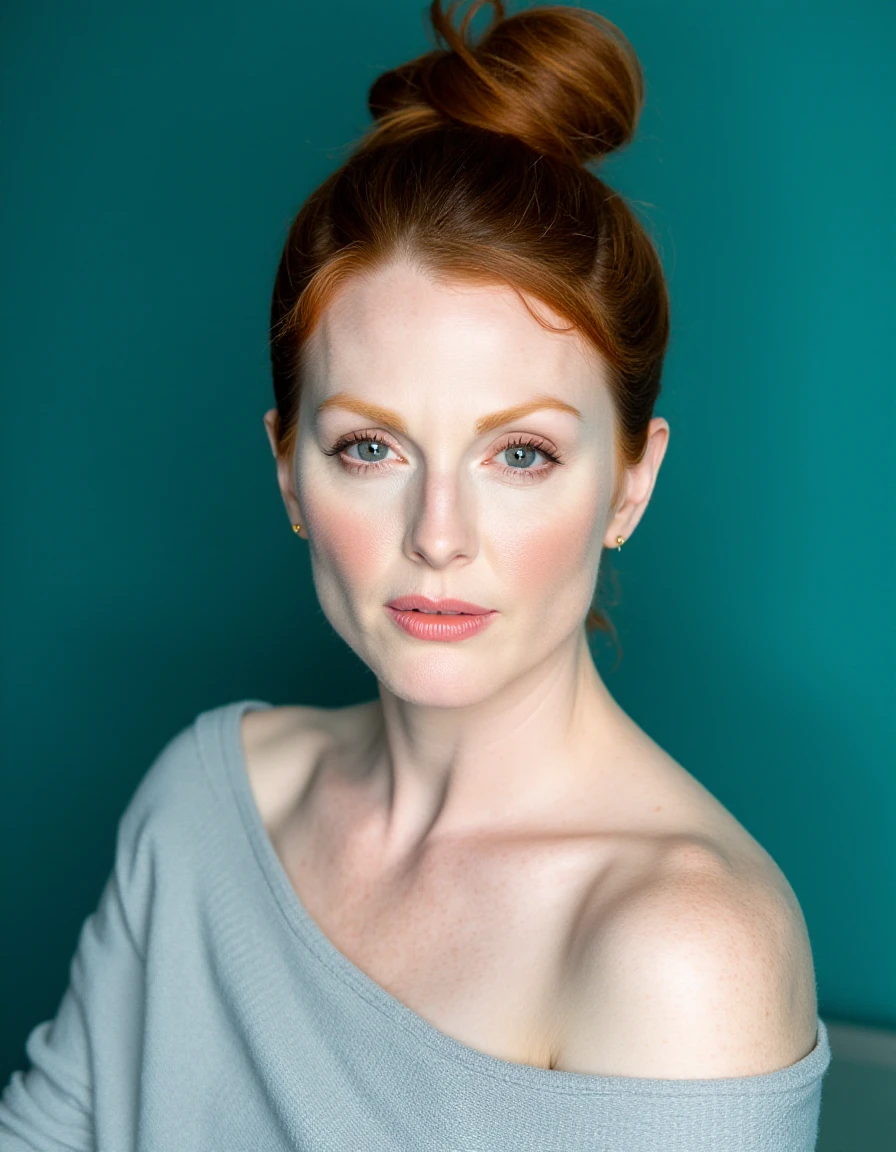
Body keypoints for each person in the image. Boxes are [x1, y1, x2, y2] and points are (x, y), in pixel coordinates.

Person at [0, 1, 831, 1148]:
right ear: (288, 472)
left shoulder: (679, 948)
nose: (437, 532)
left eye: (520, 454)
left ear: (629, 486)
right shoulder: (200, 804)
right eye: (370, 448)